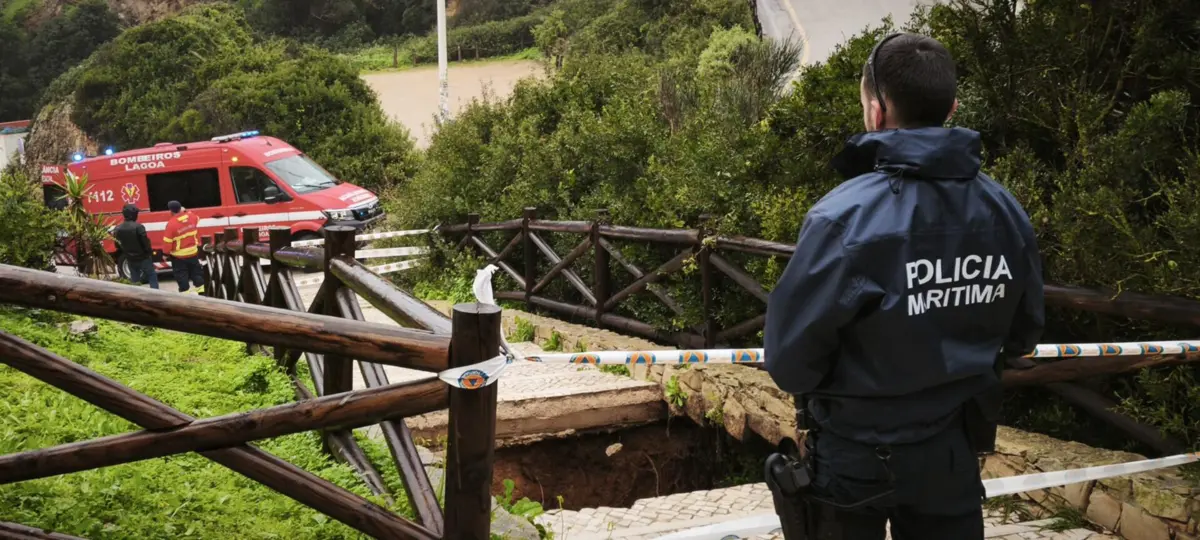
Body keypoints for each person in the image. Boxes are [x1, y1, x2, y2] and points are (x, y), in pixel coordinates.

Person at [763, 33, 1044, 540]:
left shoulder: (841, 218)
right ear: (952, 108)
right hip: (952, 454)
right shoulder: (1005, 211)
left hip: (852, 457)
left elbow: (789, 362)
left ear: (877, 111)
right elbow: (1023, 337)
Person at [162, 200, 206, 294]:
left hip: (179, 257)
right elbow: (197, 218)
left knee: (181, 276)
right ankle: (202, 292)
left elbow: (167, 242)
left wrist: (165, 254)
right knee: (196, 273)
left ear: (171, 211)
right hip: (193, 253)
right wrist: (185, 211)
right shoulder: (192, 217)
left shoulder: (171, 224)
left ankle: (185, 295)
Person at [112, 204, 158, 289]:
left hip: (130, 258)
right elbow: (145, 244)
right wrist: (148, 253)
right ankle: (156, 295)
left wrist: (127, 253)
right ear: (133, 215)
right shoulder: (139, 227)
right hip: (143, 257)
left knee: (135, 280)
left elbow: (117, 245)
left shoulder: (117, 228)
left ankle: (137, 298)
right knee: (152, 275)